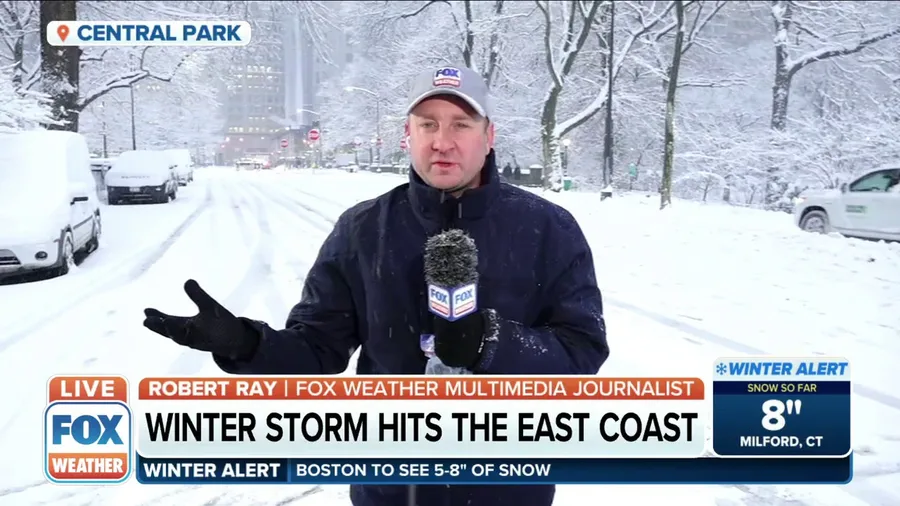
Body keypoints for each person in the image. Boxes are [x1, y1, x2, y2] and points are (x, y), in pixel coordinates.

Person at [143, 66, 609, 506]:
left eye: (461, 125)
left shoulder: (549, 229)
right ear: (408, 136)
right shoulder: (363, 230)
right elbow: (317, 350)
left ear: (489, 136)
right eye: (427, 125)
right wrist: (246, 345)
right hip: (389, 487)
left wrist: (494, 344)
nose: (442, 142)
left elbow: (582, 350)